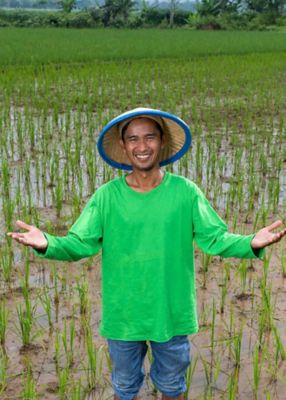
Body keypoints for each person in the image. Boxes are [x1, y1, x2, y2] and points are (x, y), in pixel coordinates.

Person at [8, 108, 285, 400]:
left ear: (162, 141)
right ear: (124, 146)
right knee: (124, 389)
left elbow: (214, 239)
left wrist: (251, 242)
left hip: (171, 313)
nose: (142, 147)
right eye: (133, 139)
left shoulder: (185, 192)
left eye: (150, 137)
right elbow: (79, 243)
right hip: (124, 316)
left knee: (172, 388)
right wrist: (47, 243)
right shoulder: (107, 196)